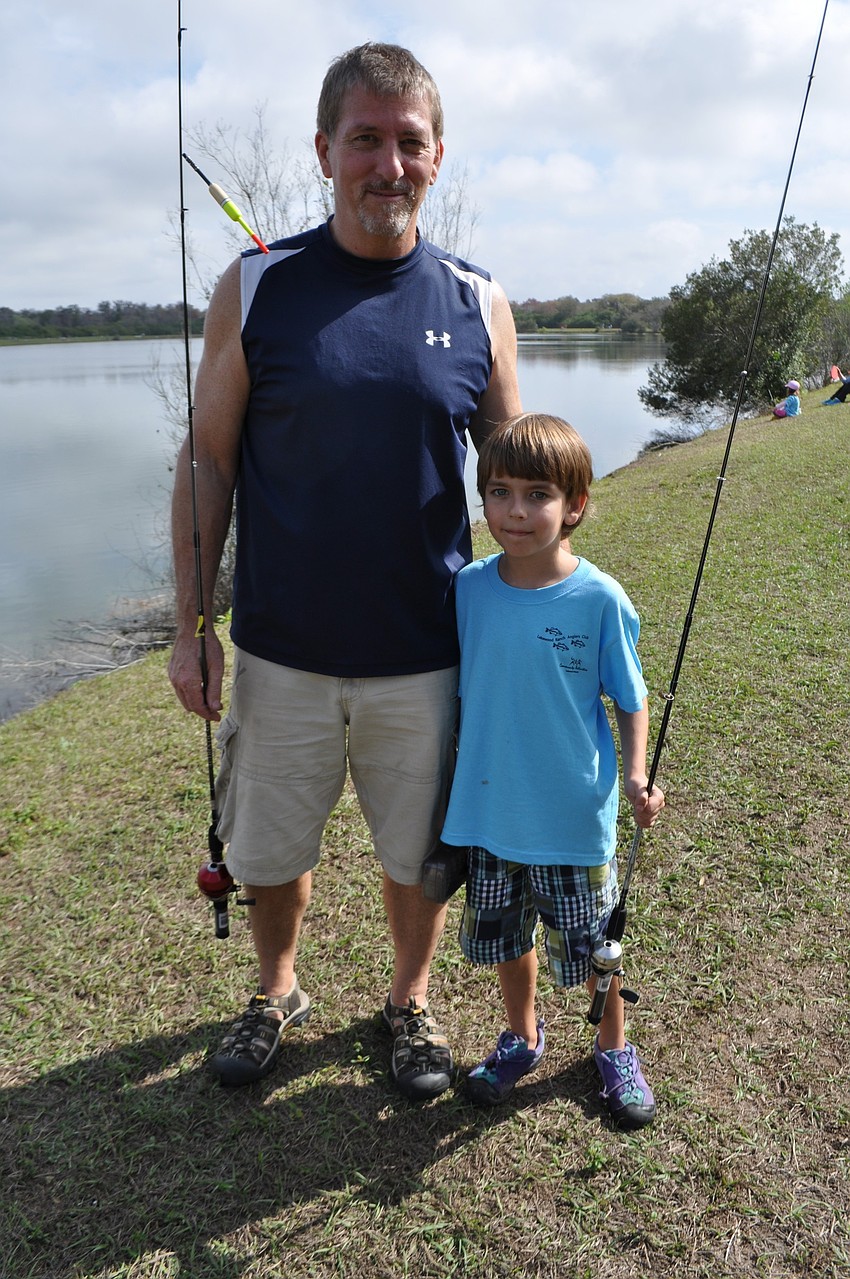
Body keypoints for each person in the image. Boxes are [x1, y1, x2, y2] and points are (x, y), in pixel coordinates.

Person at [168, 43, 521, 1098]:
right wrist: (192, 625)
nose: (387, 163)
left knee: (418, 853)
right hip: (282, 650)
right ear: (325, 150)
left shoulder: (478, 300)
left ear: (437, 156)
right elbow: (205, 459)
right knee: (270, 845)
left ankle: (407, 1002)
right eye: (364, 139)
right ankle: (276, 989)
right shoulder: (257, 285)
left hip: (424, 651)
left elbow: (515, 484)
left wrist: (549, 630)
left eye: (408, 141)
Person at [440, 413, 665, 1129]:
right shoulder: (468, 589)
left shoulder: (601, 599)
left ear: (575, 505)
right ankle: (522, 1034)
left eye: (537, 494)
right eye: (498, 491)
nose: (514, 510)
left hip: (571, 818)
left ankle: (612, 1047)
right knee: (509, 939)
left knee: (598, 946)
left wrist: (635, 775)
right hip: (488, 814)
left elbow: (631, 699)